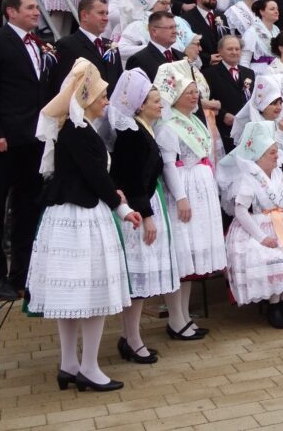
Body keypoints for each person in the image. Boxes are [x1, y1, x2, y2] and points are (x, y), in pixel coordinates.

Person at [28, 59, 139, 392]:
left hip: (69, 216)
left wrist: (115, 197)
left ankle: (69, 364)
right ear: (87, 99)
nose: (107, 101)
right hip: (81, 218)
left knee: (74, 295)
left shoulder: (76, 130)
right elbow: (96, 177)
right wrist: (122, 207)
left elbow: (96, 176)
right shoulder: (78, 132)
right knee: (91, 293)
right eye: (103, 95)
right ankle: (87, 367)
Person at [0, 0, 52, 300]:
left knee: (27, 207)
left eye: (36, 7)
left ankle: (23, 274)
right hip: (4, 139)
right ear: (11, 12)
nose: (36, 12)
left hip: (33, 139)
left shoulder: (39, 44)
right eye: (30, 7)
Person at [216, 121, 283, 329]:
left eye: (276, 151)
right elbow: (240, 210)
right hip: (257, 225)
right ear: (259, 155)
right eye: (272, 152)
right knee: (274, 256)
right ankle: (274, 307)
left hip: (280, 223)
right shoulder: (249, 177)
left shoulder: (279, 175)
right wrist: (260, 237)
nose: (277, 156)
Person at [108, 69, 179, 365]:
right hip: (137, 214)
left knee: (142, 280)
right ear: (139, 105)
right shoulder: (132, 135)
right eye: (154, 100)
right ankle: (132, 339)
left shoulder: (144, 131)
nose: (160, 104)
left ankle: (131, 337)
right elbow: (131, 180)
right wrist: (147, 216)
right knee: (137, 280)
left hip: (146, 207)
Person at [154, 61, 226, 340]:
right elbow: (169, 165)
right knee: (181, 255)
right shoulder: (168, 124)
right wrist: (181, 197)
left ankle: (183, 316)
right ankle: (175, 319)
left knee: (191, 259)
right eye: (189, 91)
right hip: (184, 189)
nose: (195, 96)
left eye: (196, 91)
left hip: (200, 185)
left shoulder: (194, 120)